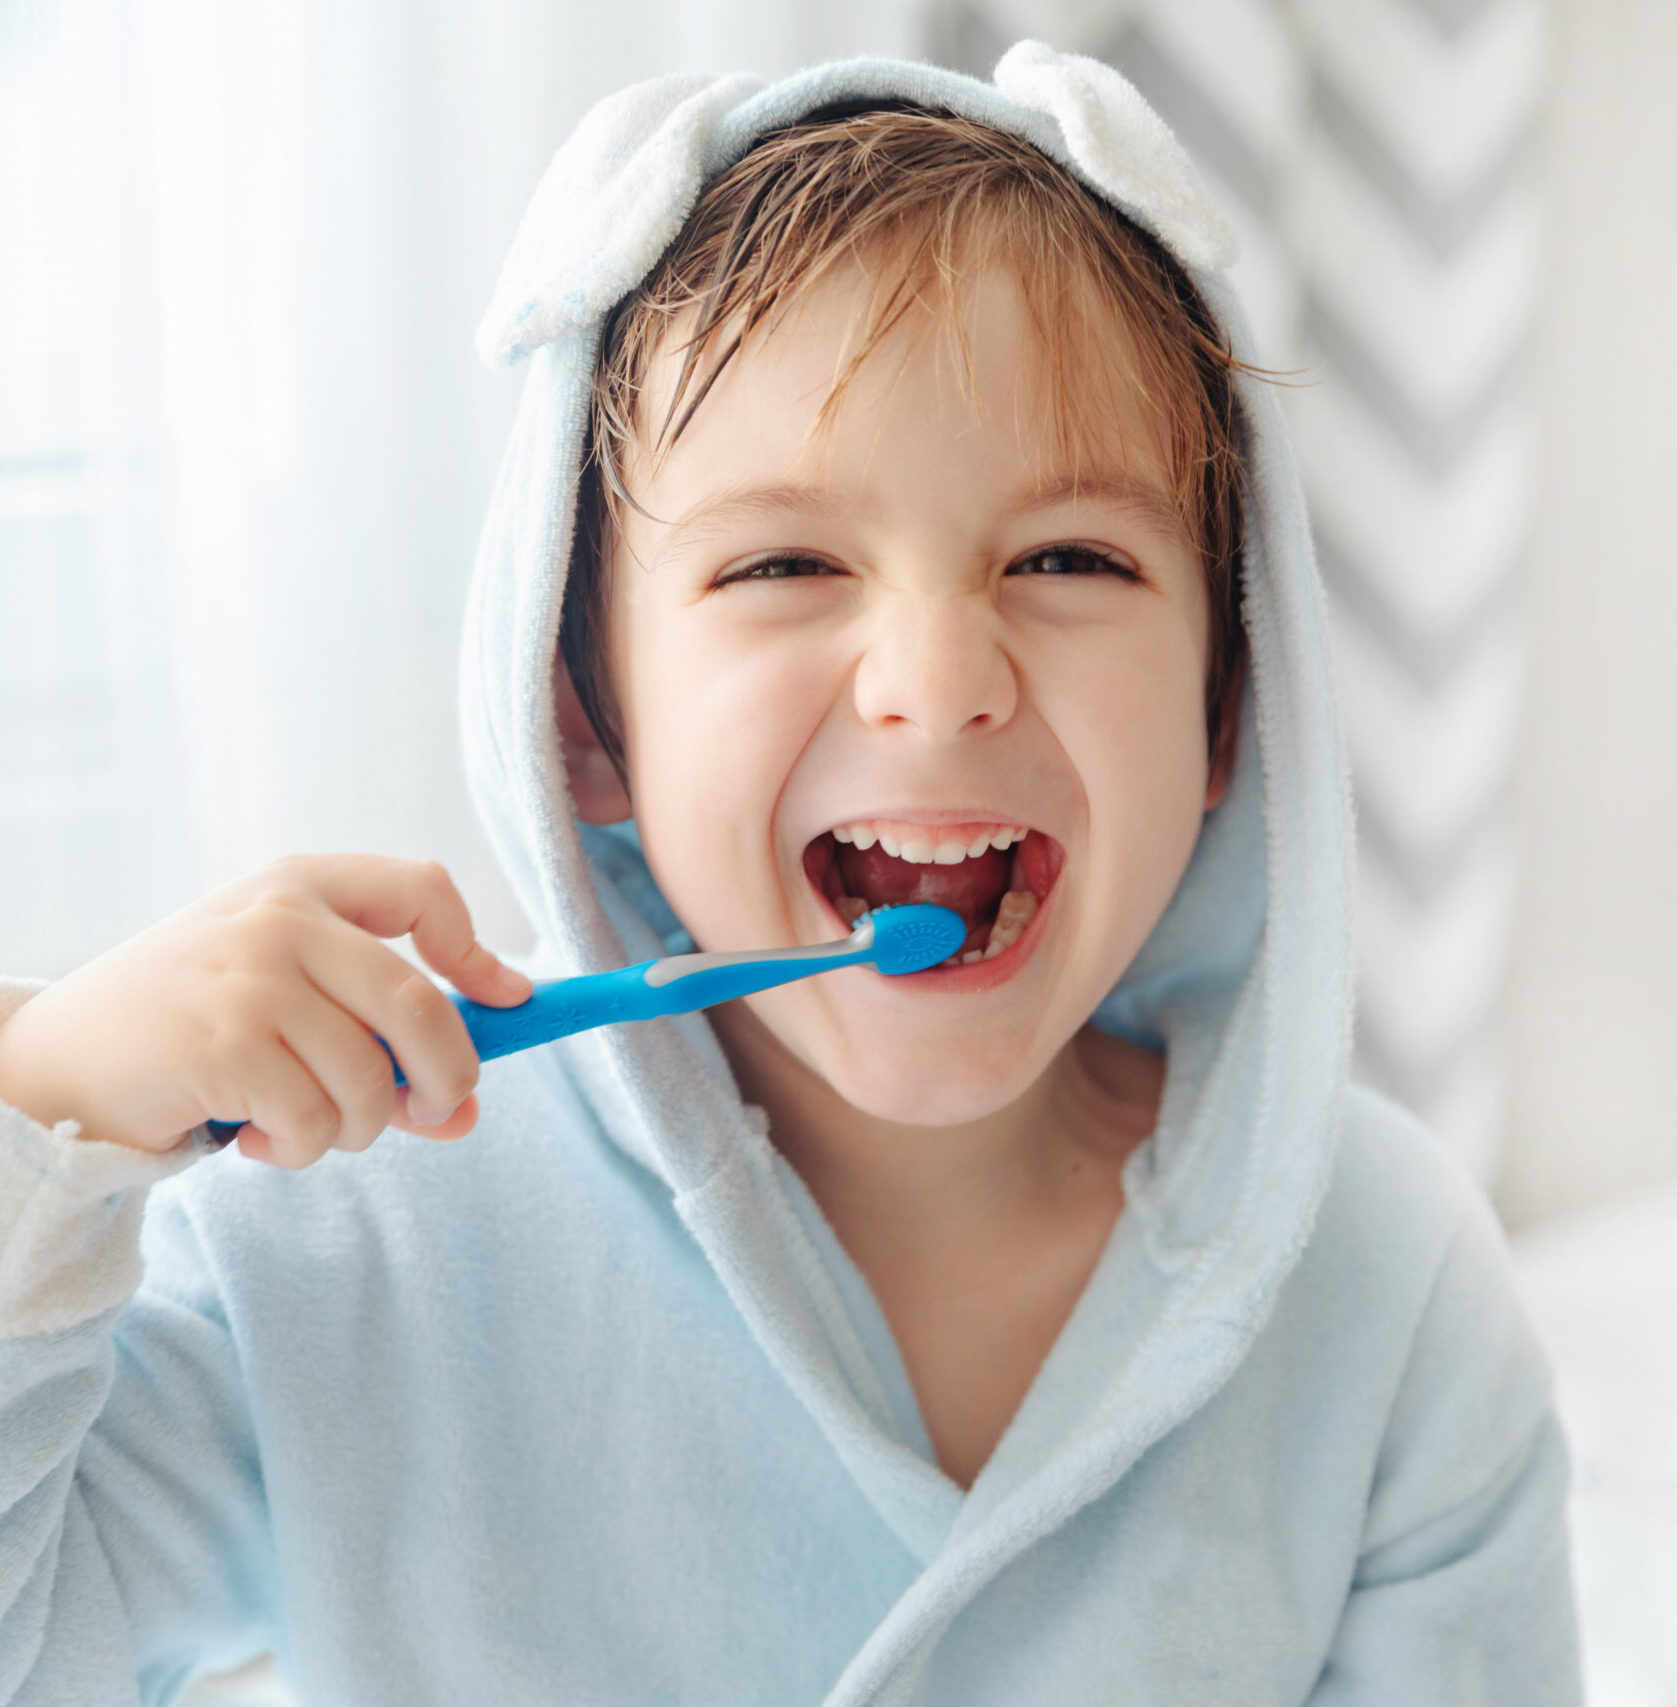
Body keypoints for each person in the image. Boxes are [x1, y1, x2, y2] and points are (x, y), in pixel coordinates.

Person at [0, 42, 1581, 1705]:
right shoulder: (340, 1240)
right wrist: (38, 1114)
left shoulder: (1386, 1279)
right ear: (585, 725)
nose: (938, 674)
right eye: (784, 562)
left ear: (1224, 719)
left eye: (1067, 557)